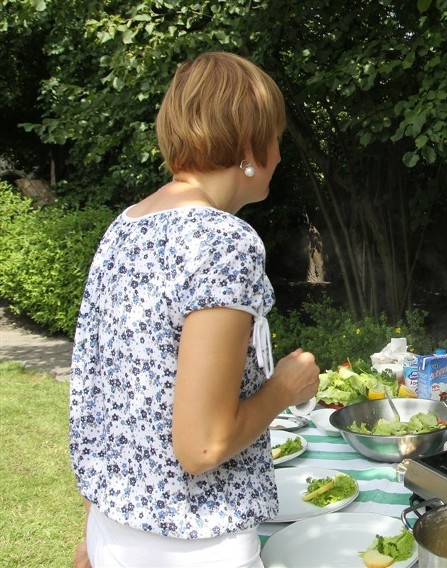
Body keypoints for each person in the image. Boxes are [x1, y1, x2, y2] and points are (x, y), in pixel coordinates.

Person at [69, 52, 320, 568]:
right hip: (197, 545)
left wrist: (96, 531)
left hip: (116, 531)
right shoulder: (225, 242)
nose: (279, 154)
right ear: (251, 146)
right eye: (274, 136)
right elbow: (203, 446)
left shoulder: (126, 227)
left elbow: (113, 399)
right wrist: (284, 388)